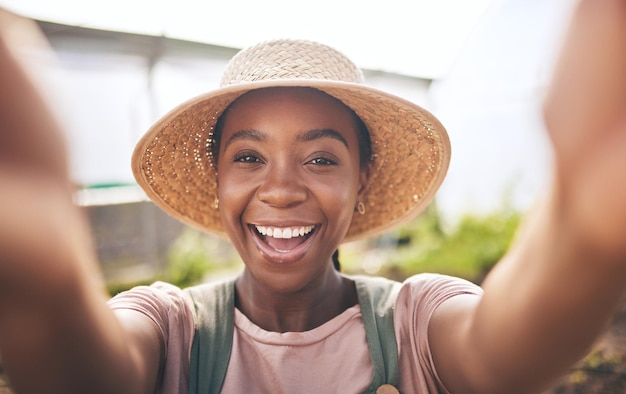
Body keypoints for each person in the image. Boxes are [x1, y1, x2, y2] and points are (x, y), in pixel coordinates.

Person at [0, 0, 625, 392]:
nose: (280, 188)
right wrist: (48, 283)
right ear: (218, 183)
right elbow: (87, 374)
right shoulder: (173, 331)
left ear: (363, 185)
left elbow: (501, 355)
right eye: (248, 157)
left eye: (321, 158)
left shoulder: (414, 322)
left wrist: (584, 233)